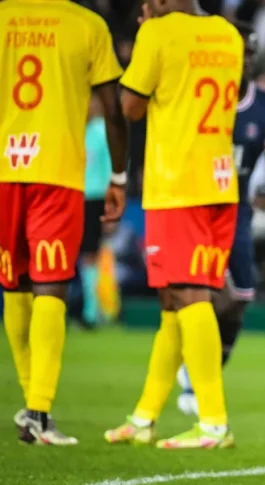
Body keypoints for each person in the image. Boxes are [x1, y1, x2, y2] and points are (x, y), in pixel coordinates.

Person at [103, 0, 243, 449]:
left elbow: (130, 107)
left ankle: (213, 423)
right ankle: (144, 417)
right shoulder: (228, 34)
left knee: (188, 295)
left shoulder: (158, 33)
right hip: (219, 183)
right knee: (173, 301)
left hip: (177, 184)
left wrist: (147, 38)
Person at [0, 0, 128, 445]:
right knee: (50, 284)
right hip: (58, 172)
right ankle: (39, 409)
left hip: (6, 169)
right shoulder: (88, 25)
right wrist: (119, 177)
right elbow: (113, 109)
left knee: (15, 285)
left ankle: (32, 406)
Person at [175, 22, 265, 418]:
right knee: (200, 292)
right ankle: (193, 376)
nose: (243, 61)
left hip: (238, 210)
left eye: (249, 54)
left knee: (238, 300)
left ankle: (203, 370)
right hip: (195, 205)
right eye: (237, 52)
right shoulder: (199, 95)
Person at [81, 95, 115, 329]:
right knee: (83, 255)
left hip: (95, 199)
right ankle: (91, 308)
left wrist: (109, 205)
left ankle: (93, 312)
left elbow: (111, 169)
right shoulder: (77, 130)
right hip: (75, 197)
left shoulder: (102, 132)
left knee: (91, 254)